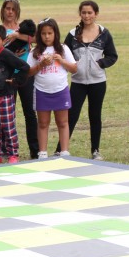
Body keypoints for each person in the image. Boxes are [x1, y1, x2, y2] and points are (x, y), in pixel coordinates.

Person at [63, 0, 118, 160]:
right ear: (80, 14)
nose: (86, 16)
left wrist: (100, 63)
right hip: (78, 82)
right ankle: (62, 149)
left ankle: (95, 150)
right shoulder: (72, 34)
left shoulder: (104, 33)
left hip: (98, 82)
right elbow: (64, 53)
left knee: (95, 115)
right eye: (84, 13)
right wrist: (73, 64)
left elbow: (112, 56)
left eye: (90, 13)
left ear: (96, 14)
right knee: (71, 115)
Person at [0, 0, 39, 159]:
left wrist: (17, 36)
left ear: (17, 11)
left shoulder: (23, 29)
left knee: (30, 113)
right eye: (7, 8)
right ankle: (5, 149)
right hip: (7, 78)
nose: (10, 12)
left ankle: (35, 150)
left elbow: (37, 39)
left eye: (13, 9)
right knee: (6, 115)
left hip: (25, 75)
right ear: (3, 10)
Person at [28, 18, 77, 159]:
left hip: (61, 90)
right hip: (41, 91)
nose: (47, 36)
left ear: (56, 33)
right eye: (43, 33)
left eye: (50, 33)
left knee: (63, 122)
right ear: (39, 35)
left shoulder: (63, 48)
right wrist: (41, 64)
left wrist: (61, 60)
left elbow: (74, 68)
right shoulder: (35, 51)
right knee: (43, 123)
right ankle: (42, 152)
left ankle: (64, 151)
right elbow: (29, 72)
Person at [0, 24, 31, 163]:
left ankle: (13, 154)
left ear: (3, 41)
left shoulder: (7, 55)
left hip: (6, 96)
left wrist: (16, 80)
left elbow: (24, 67)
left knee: (8, 127)